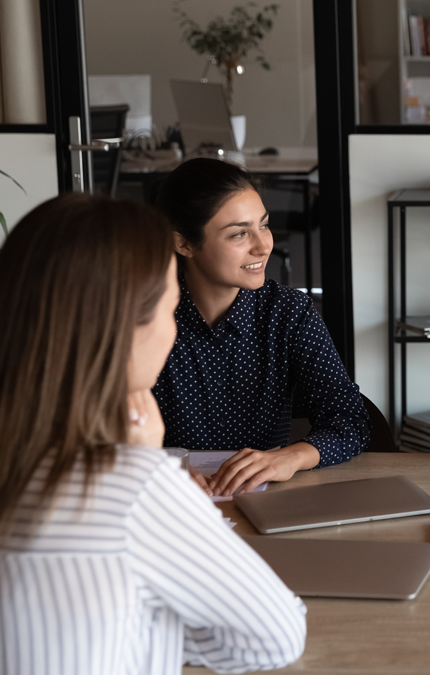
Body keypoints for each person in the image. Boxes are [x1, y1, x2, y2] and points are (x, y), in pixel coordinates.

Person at [0, 195, 306, 673]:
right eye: (167, 310)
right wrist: (144, 467)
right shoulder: (131, 487)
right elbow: (275, 638)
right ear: (122, 332)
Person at [152, 158, 369, 497]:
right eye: (239, 233)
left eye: (264, 225)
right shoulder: (143, 317)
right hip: (170, 502)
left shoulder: (288, 311)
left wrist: (291, 457)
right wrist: (160, 470)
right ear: (184, 244)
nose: (263, 245)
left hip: (266, 501)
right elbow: (96, 431)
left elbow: (350, 420)